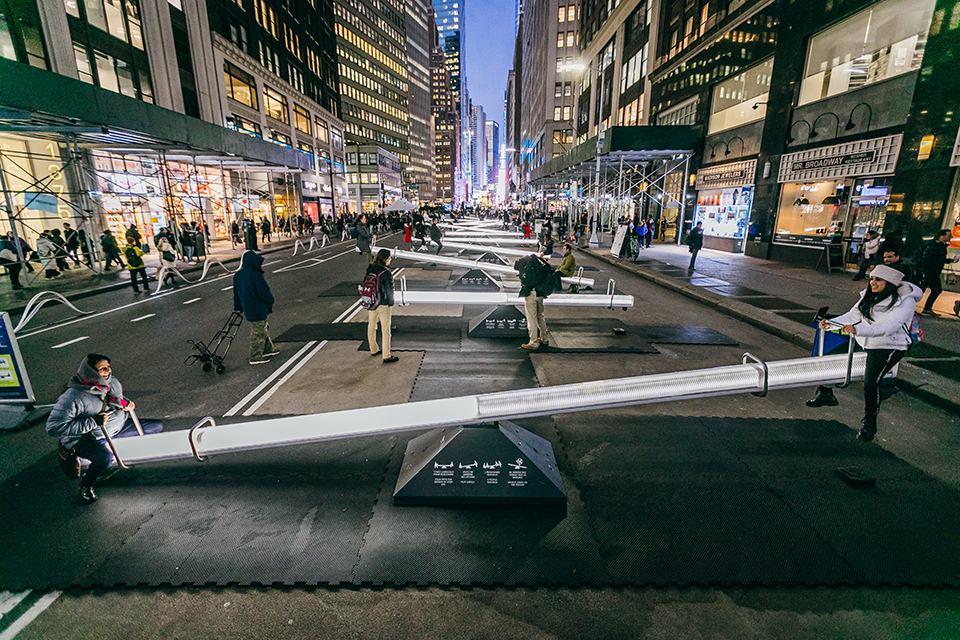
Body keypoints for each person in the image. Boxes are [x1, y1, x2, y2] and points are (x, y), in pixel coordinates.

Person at [813, 265, 923, 441]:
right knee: (830, 359)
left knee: (871, 382)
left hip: (890, 345)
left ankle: (870, 424)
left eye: (878, 279)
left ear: (890, 282)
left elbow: (890, 327)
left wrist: (858, 331)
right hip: (866, 340)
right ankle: (826, 394)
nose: (873, 283)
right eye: (871, 278)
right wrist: (831, 323)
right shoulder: (868, 295)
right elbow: (852, 316)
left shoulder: (905, 300)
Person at [46, 354, 164, 504]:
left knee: (156, 427)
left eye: (108, 366)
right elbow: (53, 428)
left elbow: (115, 399)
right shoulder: (72, 397)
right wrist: (92, 422)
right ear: (90, 372)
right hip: (89, 437)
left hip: (115, 428)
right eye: (102, 368)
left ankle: (104, 464)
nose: (108, 370)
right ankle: (86, 485)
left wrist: (125, 403)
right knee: (104, 458)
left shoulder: (112, 383)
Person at [233, 250, 279, 365]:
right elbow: (264, 292)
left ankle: (268, 349)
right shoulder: (256, 275)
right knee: (258, 331)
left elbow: (236, 293)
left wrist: (237, 308)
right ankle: (255, 356)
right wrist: (270, 302)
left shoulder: (238, 275)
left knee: (262, 327)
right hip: (258, 307)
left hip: (247, 307)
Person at [365, 249, 399, 363]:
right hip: (383, 303)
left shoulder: (370, 269)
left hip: (372, 302)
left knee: (372, 326)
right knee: (385, 330)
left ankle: (373, 349)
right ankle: (386, 355)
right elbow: (390, 290)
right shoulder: (386, 273)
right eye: (389, 257)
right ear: (386, 258)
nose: (390, 259)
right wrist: (391, 303)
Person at [516, 254, 555, 350]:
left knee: (531, 318)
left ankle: (533, 342)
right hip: (540, 293)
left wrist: (521, 261)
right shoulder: (541, 263)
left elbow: (518, 269)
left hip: (531, 293)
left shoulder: (529, 264)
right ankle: (544, 338)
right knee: (540, 316)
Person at [914, 229, 957, 316]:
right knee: (921, 291)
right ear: (942, 236)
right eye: (948, 235)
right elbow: (927, 260)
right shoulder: (933, 246)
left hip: (934, 273)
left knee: (935, 290)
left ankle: (927, 308)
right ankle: (913, 307)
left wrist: (950, 260)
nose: (950, 237)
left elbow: (938, 259)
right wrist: (925, 272)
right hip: (929, 273)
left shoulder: (941, 246)